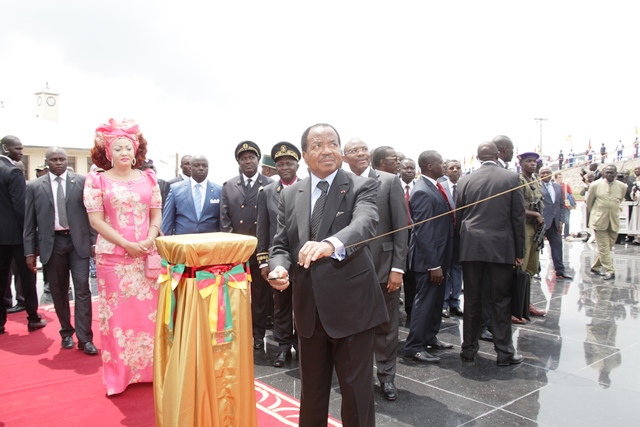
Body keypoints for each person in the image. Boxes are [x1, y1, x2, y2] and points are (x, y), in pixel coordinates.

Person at [268, 123, 387, 427]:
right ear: (305, 155)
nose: (326, 150)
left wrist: (329, 245)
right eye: (318, 145)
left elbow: (365, 223)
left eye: (332, 143)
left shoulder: (361, 186)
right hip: (309, 310)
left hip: (353, 308)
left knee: (357, 395)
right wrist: (279, 267)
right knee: (312, 395)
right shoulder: (290, 193)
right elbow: (281, 243)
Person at [83, 118, 162, 395]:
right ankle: (118, 377)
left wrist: (150, 238)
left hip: (145, 255)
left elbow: (156, 213)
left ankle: (152, 372)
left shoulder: (149, 178)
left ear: (136, 150)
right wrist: (126, 244)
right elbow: (96, 221)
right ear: (107, 153)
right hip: (113, 259)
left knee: (149, 317)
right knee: (116, 319)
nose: (124, 154)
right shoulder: (97, 180)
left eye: (128, 148)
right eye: (117, 149)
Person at [344, 140, 407, 401]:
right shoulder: (339, 182)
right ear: (345, 157)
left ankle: (386, 378)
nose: (360, 154)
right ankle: (357, 377)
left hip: (383, 267)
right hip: (347, 270)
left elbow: (401, 226)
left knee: (386, 327)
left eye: (363, 149)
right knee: (353, 329)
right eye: (353, 151)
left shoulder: (390, 181)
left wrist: (398, 268)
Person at [456, 142, 526, 366]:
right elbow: (518, 217)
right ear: (498, 155)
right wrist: (519, 251)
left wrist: (462, 246)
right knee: (500, 301)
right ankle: (504, 352)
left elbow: (459, 215)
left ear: (477, 158)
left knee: (472, 300)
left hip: (471, 247)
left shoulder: (465, 180)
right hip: (501, 247)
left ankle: (468, 350)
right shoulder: (511, 178)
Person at [23, 146, 96, 353]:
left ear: (67, 161)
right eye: (53, 159)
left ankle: (85, 339)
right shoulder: (35, 186)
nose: (58, 162)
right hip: (52, 244)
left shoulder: (82, 182)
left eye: (61, 159)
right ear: (47, 162)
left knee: (82, 290)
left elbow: (93, 216)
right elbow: (29, 223)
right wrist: (30, 252)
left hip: (77, 243)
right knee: (58, 291)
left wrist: (94, 242)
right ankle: (66, 332)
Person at [403, 150, 455, 365]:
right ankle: (414, 346)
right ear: (430, 166)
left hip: (440, 256)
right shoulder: (422, 191)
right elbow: (423, 231)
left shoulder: (433, 186)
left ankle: (430, 337)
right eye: (441, 162)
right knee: (424, 302)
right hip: (428, 261)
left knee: (435, 302)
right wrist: (433, 264)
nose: (444, 165)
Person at [221, 141, 273, 350]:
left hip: (259, 251)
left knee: (260, 296)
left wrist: (265, 250)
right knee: (235, 292)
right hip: (237, 251)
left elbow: (271, 220)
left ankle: (258, 335)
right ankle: (236, 331)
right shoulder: (229, 185)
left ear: (258, 160)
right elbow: (224, 220)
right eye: (243, 158)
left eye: (252, 157)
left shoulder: (269, 183)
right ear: (238, 162)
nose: (248, 161)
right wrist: (233, 247)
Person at [256, 142, 301, 368]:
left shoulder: (309, 187)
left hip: (303, 256)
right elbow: (262, 229)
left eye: (289, 163)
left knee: (303, 303)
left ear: (297, 165)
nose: (284, 167)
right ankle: (283, 346)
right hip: (277, 256)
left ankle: (302, 346)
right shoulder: (266, 192)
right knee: (281, 304)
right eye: (280, 164)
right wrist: (263, 261)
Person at [1, 136, 47, 334]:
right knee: (27, 277)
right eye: (17, 148)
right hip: (18, 236)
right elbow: (22, 208)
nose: (20, 152)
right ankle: (33, 318)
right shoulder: (13, 171)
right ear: (5, 148)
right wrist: (30, 235)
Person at [518, 152, 547, 321]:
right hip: (524, 227)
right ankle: (516, 306)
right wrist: (535, 215)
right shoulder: (518, 181)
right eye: (528, 161)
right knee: (520, 270)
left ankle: (526, 303)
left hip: (535, 228)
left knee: (531, 268)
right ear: (521, 163)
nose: (532, 164)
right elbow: (517, 207)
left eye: (534, 161)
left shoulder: (535, 180)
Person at [161, 155, 221, 235]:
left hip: (210, 242)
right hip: (183, 242)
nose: (201, 168)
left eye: (204, 166)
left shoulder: (219, 190)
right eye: (197, 165)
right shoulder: (176, 190)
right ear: (190, 167)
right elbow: (167, 221)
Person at [587, 165, 627, 280]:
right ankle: (610, 270)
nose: (610, 174)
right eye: (607, 172)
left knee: (608, 247)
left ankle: (595, 267)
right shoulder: (595, 185)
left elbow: (619, 200)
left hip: (613, 220)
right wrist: (597, 213)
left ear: (616, 173)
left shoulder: (622, 186)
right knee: (604, 247)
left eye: (612, 172)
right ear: (603, 173)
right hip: (599, 221)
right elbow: (589, 203)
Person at [539, 167, 573, 280]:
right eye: (542, 173)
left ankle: (560, 270)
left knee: (557, 246)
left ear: (551, 174)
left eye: (547, 173)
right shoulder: (537, 187)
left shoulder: (557, 187)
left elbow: (561, 205)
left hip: (555, 223)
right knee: (536, 247)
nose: (545, 174)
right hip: (541, 222)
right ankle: (535, 271)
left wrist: (561, 221)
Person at [441, 160, 463, 318]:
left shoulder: (465, 185)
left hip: (461, 234)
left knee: (458, 268)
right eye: (451, 168)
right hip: (445, 234)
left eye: (458, 168)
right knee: (446, 268)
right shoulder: (440, 186)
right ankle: (444, 302)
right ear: (445, 171)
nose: (455, 170)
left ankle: (455, 301)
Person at [399, 158, 417, 324]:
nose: (409, 171)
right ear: (400, 169)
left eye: (412, 168)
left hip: (415, 234)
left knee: (411, 276)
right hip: (397, 234)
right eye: (406, 168)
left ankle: (411, 312)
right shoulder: (393, 186)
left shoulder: (419, 188)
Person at [554, 172, 574, 238]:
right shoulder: (553, 185)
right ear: (555, 179)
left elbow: (571, 194)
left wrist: (574, 203)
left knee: (567, 221)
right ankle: (558, 234)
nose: (560, 179)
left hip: (565, 206)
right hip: (557, 206)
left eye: (561, 177)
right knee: (559, 221)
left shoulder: (565, 185)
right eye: (559, 177)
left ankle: (566, 234)